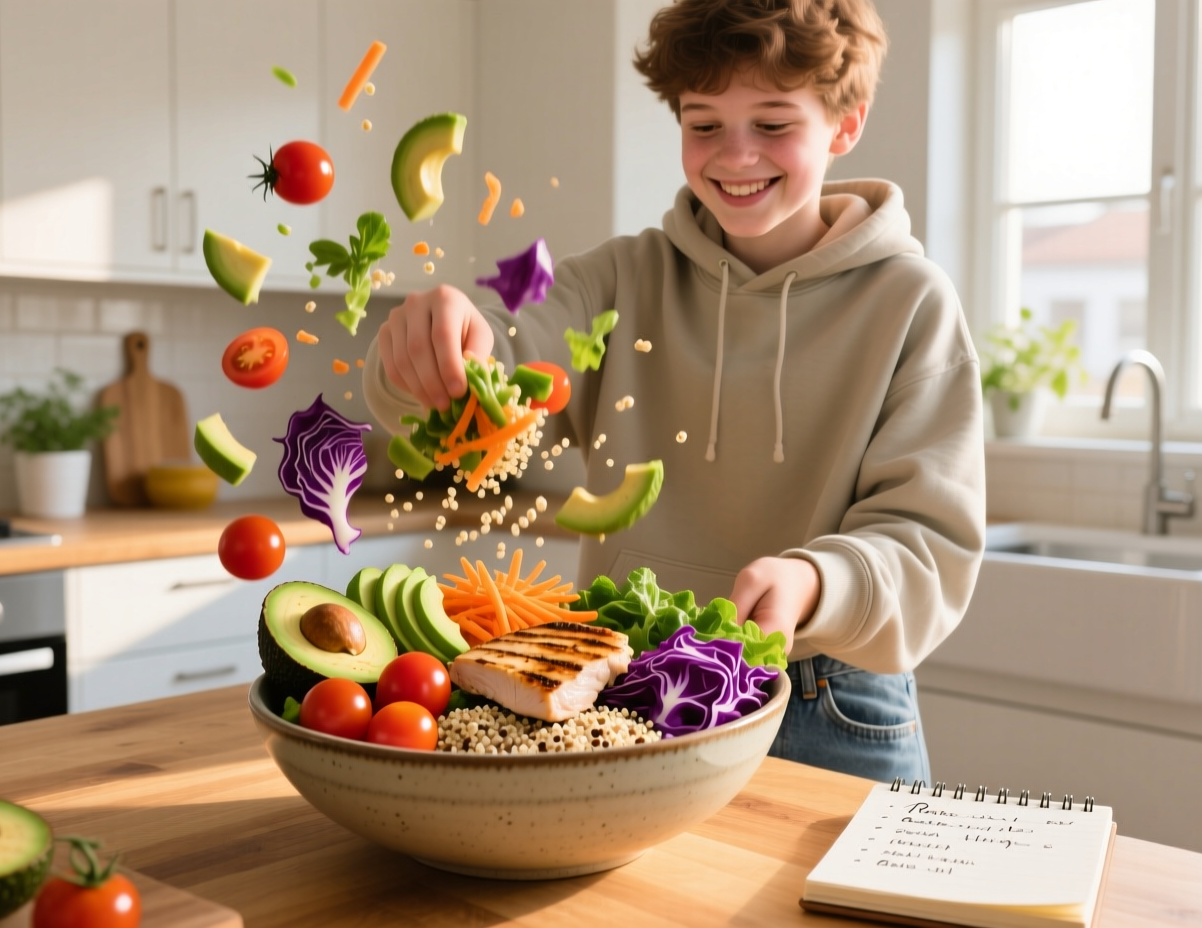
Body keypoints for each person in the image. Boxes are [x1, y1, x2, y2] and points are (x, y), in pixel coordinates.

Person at [363, 0, 984, 784]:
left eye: (772, 123)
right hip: (621, 689)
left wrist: (819, 582)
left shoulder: (911, 303)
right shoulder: (619, 276)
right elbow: (503, 343)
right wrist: (435, 346)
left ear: (845, 125)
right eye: (704, 124)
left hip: (829, 700)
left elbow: (928, 543)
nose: (735, 156)